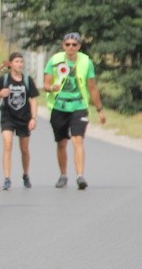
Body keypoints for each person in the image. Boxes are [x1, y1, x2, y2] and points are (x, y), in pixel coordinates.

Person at [43, 32, 106, 190]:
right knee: (62, 142)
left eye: (74, 44)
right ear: (63, 45)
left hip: (78, 106)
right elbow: (46, 84)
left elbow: (92, 87)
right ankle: (63, 174)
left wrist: (100, 109)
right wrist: (52, 88)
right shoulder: (55, 60)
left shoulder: (86, 61)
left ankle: (80, 176)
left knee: (78, 139)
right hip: (59, 106)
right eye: (68, 44)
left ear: (79, 46)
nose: (71, 47)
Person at [0, 52, 39, 190]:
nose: (19, 64)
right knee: (7, 145)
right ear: (11, 64)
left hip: (24, 118)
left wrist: (33, 118)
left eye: (21, 61)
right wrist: (1, 94)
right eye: (17, 61)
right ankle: (7, 178)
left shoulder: (27, 80)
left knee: (24, 149)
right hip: (8, 116)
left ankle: (25, 174)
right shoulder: (4, 79)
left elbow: (33, 99)